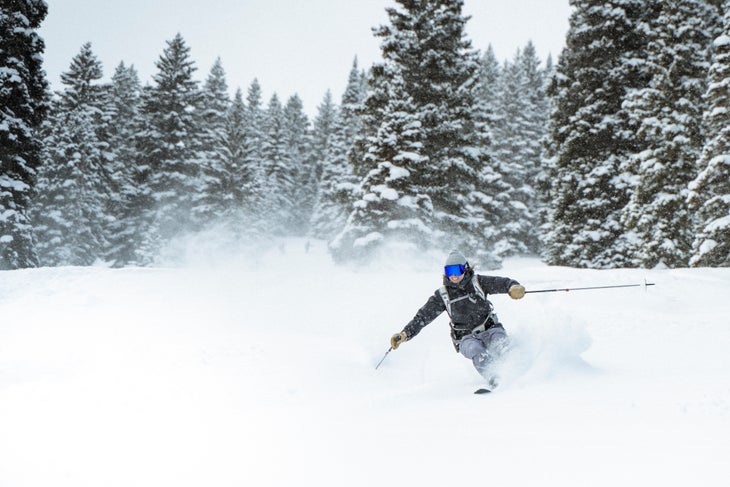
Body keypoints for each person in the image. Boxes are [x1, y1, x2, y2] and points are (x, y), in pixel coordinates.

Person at [390, 250, 525, 386]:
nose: (453, 276)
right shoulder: (443, 295)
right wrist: (405, 334)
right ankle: (495, 378)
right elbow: (423, 317)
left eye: (457, 270)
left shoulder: (478, 282)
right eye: (449, 271)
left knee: (500, 343)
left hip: (490, 328)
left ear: (465, 269)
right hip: (465, 338)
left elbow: (503, 283)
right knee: (475, 350)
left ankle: (517, 371)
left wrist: (513, 288)